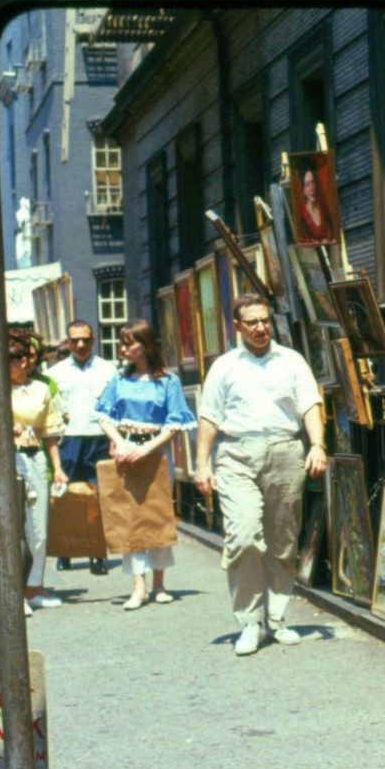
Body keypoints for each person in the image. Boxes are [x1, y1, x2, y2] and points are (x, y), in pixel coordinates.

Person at [194, 293, 328, 656]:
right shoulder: (224, 367)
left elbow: (310, 404)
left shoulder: (291, 361)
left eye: (265, 320)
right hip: (237, 453)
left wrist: (317, 445)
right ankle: (249, 623)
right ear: (237, 326)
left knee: (283, 540)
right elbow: (209, 417)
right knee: (244, 537)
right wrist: (202, 464)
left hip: (285, 451)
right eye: (252, 322)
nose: (261, 328)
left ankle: (277, 618)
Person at [94, 320, 196, 610]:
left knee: (157, 514)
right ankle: (138, 586)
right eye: (122, 343)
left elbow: (175, 422)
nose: (123, 348)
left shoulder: (168, 382)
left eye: (129, 343)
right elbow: (104, 415)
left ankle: (160, 583)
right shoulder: (119, 380)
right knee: (129, 518)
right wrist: (122, 444)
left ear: (146, 345)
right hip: (126, 455)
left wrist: (146, 449)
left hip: (156, 455)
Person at [48, 320, 118, 575]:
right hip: (68, 440)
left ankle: (96, 554)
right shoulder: (55, 373)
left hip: (98, 438)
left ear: (93, 341)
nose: (80, 345)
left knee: (96, 499)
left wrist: (115, 439)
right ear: (67, 342)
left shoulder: (108, 370)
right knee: (64, 495)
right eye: (75, 340)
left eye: (85, 340)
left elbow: (115, 408)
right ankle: (64, 550)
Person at [9, 332, 69, 616]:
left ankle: (34, 586)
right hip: (8, 460)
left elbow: (49, 432)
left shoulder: (40, 389)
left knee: (38, 525)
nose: (18, 365)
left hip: (35, 459)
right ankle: (14, 591)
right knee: (13, 527)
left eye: (16, 360)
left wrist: (57, 468)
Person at [295, 163, 335, 244]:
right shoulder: (303, 216)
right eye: (307, 184)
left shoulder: (323, 207)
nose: (311, 188)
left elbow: (332, 230)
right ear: (304, 190)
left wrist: (329, 240)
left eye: (312, 182)